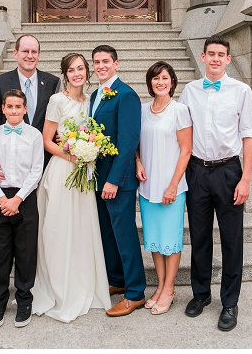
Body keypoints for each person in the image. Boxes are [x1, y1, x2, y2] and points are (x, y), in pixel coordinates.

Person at [179, 35, 252, 331]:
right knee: (199, 236)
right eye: (210, 53)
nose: (214, 58)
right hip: (197, 170)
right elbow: (182, 132)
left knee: (231, 239)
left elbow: (249, 135)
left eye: (220, 54)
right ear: (202, 56)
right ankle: (200, 295)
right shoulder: (190, 90)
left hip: (228, 172)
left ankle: (229, 302)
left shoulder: (241, 90)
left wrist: (245, 179)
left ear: (227, 59)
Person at [0, 34, 59, 309]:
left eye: (34, 51)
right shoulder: (0, 83)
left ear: (39, 54)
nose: (29, 55)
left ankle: (30, 286)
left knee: (30, 235)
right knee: (0, 238)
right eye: (24, 51)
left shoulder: (52, 82)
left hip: (40, 167)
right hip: (6, 169)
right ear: (15, 53)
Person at [31, 53, 112, 322]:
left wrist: (88, 151)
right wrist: (72, 156)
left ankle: (83, 282)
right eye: (71, 70)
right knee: (59, 229)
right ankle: (59, 287)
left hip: (84, 172)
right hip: (64, 170)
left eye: (81, 69)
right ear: (65, 74)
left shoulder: (91, 100)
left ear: (87, 72)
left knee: (82, 229)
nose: (77, 73)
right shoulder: (57, 100)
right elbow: (46, 140)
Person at [90, 45, 146, 317]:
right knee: (107, 235)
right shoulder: (94, 94)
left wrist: (114, 180)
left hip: (118, 182)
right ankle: (117, 280)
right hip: (97, 178)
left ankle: (135, 293)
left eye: (105, 61)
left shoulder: (126, 95)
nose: (100, 66)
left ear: (116, 64)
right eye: (96, 62)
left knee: (124, 236)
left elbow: (127, 142)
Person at [0, 89, 43, 328]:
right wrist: (1, 198)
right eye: (10, 107)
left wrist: (17, 199)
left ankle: (24, 300)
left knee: (26, 252)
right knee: (0, 252)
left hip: (25, 197)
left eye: (19, 107)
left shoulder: (35, 135)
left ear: (25, 109)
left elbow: (37, 170)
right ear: (3, 109)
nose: (14, 111)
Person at [135, 61, 192, 315]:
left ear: (172, 81)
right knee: (155, 242)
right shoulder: (142, 109)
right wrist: (137, 161)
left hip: (172, 187)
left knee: (171, 240)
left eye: (165, 78)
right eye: (156, 78)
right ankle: (159, 286)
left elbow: (186, 150)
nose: (160, 82)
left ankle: (169, 289)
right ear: (150, 82)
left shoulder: (179, 110)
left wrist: (173, 185)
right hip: (148, 187)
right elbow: (136, 143)